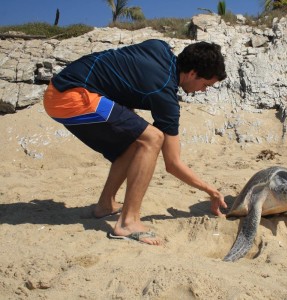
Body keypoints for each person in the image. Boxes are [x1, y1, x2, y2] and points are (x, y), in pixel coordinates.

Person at [43, 39, 228, 245]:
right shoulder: (164, 95)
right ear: (192, 73)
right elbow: (173, 164)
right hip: (71, 96)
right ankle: (128, 222)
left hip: (60, 88)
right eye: (206, 85)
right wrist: (211, 190)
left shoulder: (159, 48)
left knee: (136, 141)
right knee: (152, 138)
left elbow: (124, 71)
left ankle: (105, 205)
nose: (203, 90)